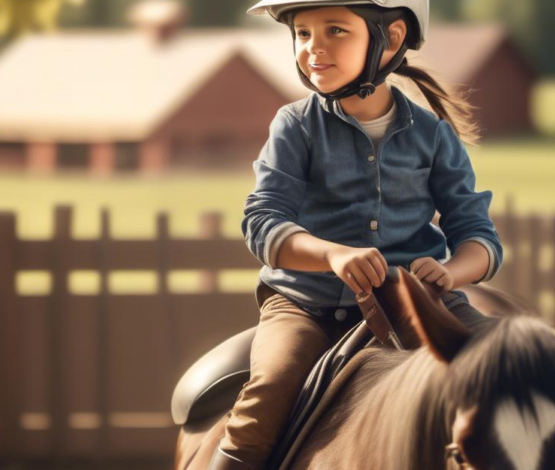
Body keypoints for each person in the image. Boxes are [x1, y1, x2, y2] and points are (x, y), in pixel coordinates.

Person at [209, 1, 503, 468]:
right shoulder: (294, 126)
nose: (313, 48)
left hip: (416, 301)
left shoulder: (434, 135)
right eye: (303, 34)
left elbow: (479, 237)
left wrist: (450, 271)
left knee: (520, 361)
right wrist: (331, 255)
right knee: (272, 386)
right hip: (307, 304)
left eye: (334, 31)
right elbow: (262, 223)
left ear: (389, 38)